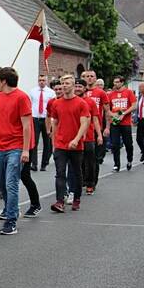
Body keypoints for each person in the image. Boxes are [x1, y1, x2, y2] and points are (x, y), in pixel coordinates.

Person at [0, 67, 33, 235]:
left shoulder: (22, 97)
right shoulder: (0, 97)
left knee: (11, 183)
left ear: (3, 80)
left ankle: (11, 220)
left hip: (16, 147)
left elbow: (27, 126)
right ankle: (9, 209)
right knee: (0, 183)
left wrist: (25, 150)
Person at [50, 75, 90, 212]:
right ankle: (60, 201)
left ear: (73, 85)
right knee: (60, 173)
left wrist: (76, 139)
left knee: (76, 172)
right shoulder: (56, 103)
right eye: (62, 83)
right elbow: (54, 123)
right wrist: (54, 141)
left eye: (67, 83)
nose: (64, 86)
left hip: (75, 145)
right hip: (61, 144)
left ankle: (77, 198)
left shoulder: (81, 103)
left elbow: (84, 123)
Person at [74, 79, 102, 196]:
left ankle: (90, 183)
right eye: (76, 86)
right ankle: (78, 183)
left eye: (80, 86)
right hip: (74, 137)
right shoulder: (71, 101)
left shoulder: (90, 102)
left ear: (85, 88)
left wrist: (99, 135)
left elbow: (95, 119)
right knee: (77, 162)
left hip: (89, 137)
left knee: (89, 162)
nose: (77, 88)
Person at [108, 76, 137, 172]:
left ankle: (129, 159)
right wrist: (113, 115)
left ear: (122, 82)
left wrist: (124, 114)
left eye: (117, 82)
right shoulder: (111, 94)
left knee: (128, 143)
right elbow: (108, 109)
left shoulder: (128, 92)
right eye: (114, 82)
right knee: (115, 144)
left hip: (125, 122)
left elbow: (134, 105)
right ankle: (116, 164)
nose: (115, 84)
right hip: (115, 123)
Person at [28, 75, 56, 172]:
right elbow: (29, 104)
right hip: (35, 117)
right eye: (40, 80)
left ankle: (44, 163)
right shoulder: (32, 91)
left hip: (46, 118)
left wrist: (52, 121)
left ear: (46, 81)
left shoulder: (51, 93)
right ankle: (34, 163)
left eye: (43, 80)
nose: (41, 82)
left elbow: (53, 107)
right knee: (34, 141)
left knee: (47, 142)